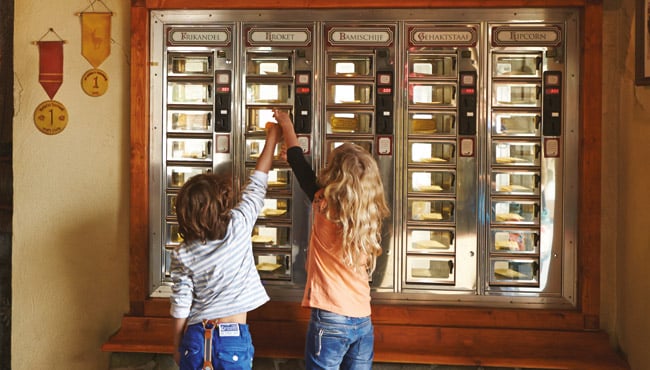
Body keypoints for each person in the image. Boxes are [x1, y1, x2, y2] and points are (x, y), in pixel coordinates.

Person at [273, 110, 390, 370]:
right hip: (362, 319)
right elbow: (299, 165)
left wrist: (286, 124)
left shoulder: (323, 205)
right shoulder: (368, 215)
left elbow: (298, 162)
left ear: (334, 177)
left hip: (330, 318)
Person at [170, 123, 282, 370]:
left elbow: (181, 302)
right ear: (220, 204)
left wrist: (177, 345)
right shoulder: (238, 226)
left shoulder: (183, 253)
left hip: (196, 337)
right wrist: (273, 137)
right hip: (232, 339)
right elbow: (257, 183)